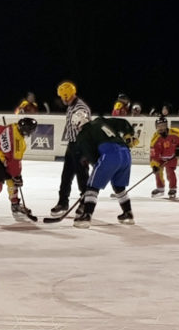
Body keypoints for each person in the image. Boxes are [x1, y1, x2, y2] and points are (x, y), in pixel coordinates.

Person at [71, 111, 136, 228]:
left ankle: (86, 216)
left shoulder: (82, 135)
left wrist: (102, 169)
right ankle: (128, 214)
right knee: (119, 186)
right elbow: (123, 122)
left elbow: (93, 157)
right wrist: (129, 133)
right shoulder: (100, 121)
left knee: (92, 186)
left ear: (78, 124)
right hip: (126, 153)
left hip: (110, 154)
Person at [50, 81, 91, 217]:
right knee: (66, 176)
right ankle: (63, 202)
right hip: (72, 145)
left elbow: (86, 130)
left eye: (62, 96)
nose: (62, 99)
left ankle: (85, 203)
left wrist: (85, 151)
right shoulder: (71, 106)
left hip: (81, 146)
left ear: (67, 96)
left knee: (82, 176)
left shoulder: (80, 108)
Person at [150, 116, 179, 198]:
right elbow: (153, 154)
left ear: (166, 125)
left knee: (170, 172)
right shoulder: (155, 139)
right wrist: (154, 165)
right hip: (161, 158)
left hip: (172, 156)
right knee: (158, 172)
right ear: (156, 127)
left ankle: (173, 188)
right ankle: (160, 188)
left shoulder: (176, 133)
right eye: (159, 126)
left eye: (163, 125)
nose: (161, 128)